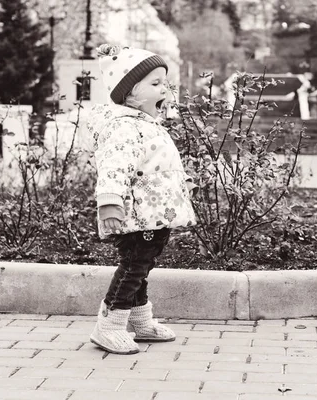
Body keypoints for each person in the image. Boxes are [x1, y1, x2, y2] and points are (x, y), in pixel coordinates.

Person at [86, 44, 197, 354]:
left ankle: (140, 322)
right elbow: (115, 164)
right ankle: (108, 327)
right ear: (130, 92)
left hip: (154, 212)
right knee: (134, 267)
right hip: (137, 214)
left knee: (141, 267)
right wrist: (110, 201)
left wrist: (182, 182)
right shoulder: (123, 127)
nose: (165, 89)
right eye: (155, 83)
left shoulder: (147, 125)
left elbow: (158, 163)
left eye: (165, 82)